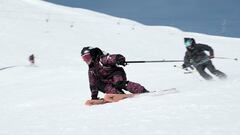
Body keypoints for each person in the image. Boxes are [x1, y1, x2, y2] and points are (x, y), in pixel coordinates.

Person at [81, 46, 149, 106]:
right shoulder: (91, 69)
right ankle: (118, 93)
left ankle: (141, 90)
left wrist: (119, 59)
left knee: (119, 83)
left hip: (116, 74)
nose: (86, 60)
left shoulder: (102, 59)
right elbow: (92, 83)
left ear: (93, 54)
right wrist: (94, 97)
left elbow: (112, 58)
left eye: (87, 57)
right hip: (106, 79)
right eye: (84, 58)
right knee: (98, 84)